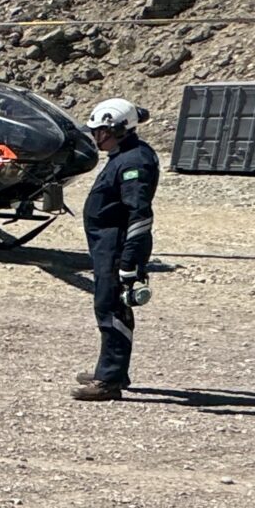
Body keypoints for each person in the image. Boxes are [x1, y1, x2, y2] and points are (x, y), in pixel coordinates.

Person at [75, 97, 159, 402]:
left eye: (100, 131)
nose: (96, 136)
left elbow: (139, 214)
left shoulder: (134, 162)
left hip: (118, 247)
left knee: (112, 308)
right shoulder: (125, 155)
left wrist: (129, 260)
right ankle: (110, 370)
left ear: (116, 129)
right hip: (109, 246)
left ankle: (109, 379)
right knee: (110, 305)